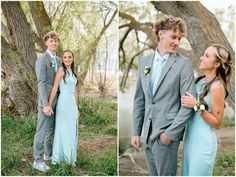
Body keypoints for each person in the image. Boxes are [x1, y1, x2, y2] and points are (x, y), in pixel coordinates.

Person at [131, 15, 196, 176]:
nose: (177, 42)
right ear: (160, 34)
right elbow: (140, 100)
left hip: (166, 135)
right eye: (173, 36)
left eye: (179, 38)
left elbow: (187, 105)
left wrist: (170, 134)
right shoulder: (144, 63)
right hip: (148, 132)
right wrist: (136, 132)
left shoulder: (183, 64)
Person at [181, 44, 232, 176]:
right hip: (189, 140)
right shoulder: (199, 81)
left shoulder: (217, 87)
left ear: (216, 64)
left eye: (207, 56)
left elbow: (217, 123)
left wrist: (196, 105)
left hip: (203, 144)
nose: (201, 57)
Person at [33, 31, 61, 172]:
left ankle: (48, 155)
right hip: (46, 102)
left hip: (57, 101)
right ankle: (37, 160)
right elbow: (42, 83)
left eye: (55, 41)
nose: (54, 43)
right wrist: (45, 105)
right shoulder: (42, 60)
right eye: (51, 41)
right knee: (41, 130)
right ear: (46, 43)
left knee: (51, 130)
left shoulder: (59, 60)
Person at [46, 49, 79, 166]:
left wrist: (76, 107)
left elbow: (75, 91)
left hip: (71, 104)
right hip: (63, 102)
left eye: (69, 57)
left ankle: (69, 157)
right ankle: (59, 157)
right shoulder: (61, 70)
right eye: (65, 57)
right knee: (62, 129)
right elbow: (55, 88)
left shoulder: (74, 71)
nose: (67, 59)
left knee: (71, 130)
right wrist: (49, 104)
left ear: (73, 58)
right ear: (62, 59)